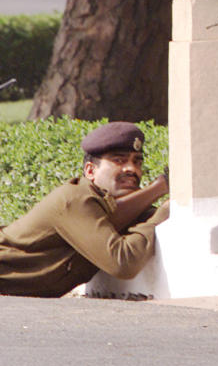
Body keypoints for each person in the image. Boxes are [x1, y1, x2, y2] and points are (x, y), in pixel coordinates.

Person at [0, 121, 169, 297]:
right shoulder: (75, 199)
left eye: (137, 162)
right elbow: (122, 263)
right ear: (90, 171)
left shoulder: (108, 207)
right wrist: (162, 211)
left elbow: (119, 215)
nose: (131, 169)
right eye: (119, 160)